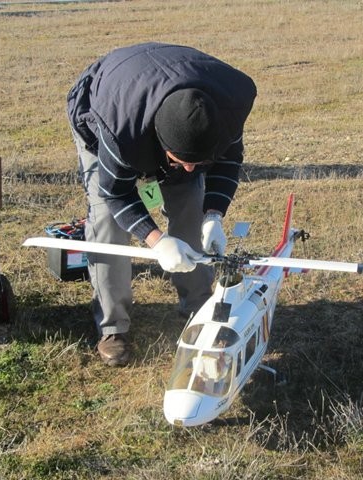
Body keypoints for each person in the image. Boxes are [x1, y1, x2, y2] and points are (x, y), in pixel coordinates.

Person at [66, 43, 257, 367]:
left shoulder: (227, 109)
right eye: (179, 161)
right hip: (105, 104)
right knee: (107, 223)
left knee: (190, 205)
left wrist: (213, 216)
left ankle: (198, 304)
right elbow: (116, 194)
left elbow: (227, 162)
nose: (188, 169)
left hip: (163, 88)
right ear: (161, 145)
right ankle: (113, 327)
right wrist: (157, 240)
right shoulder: (120, 129)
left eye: (199, 161)